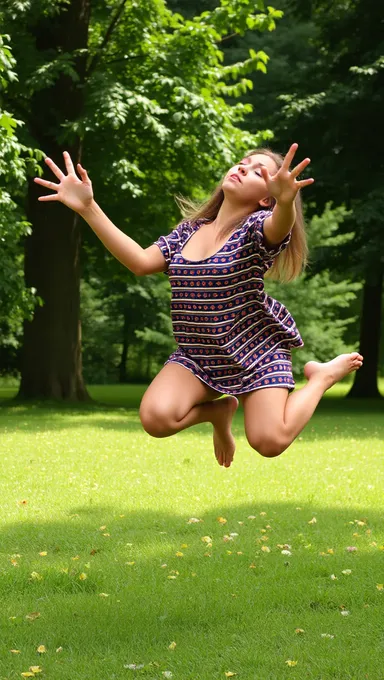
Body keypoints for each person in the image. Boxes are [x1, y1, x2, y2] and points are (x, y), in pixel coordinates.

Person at [34, 144, 363, 468]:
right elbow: (139, 262)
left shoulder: (256, 231)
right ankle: (218, 412)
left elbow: (280, 225)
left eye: (256, 172)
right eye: (242, 163)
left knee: (269, 442)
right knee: (156, 419)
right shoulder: (188, 232)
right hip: (198, 353)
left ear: (266, 198)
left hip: (256, 353)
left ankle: (321, 376)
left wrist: (286, 201)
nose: (241, 169)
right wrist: (88, 207)